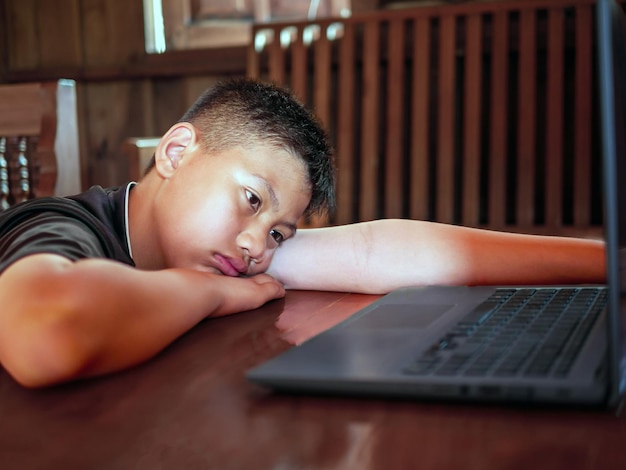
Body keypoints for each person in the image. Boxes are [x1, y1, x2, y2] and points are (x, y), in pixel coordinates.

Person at [0, 78, 605, 388]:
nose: (257, 244)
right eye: (251, 199)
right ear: (177, 151)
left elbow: (376, 249)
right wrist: (212, 293)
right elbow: (47, 333)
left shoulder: (228, 249)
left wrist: (605, 261)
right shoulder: (57, 226)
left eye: (280, 233)